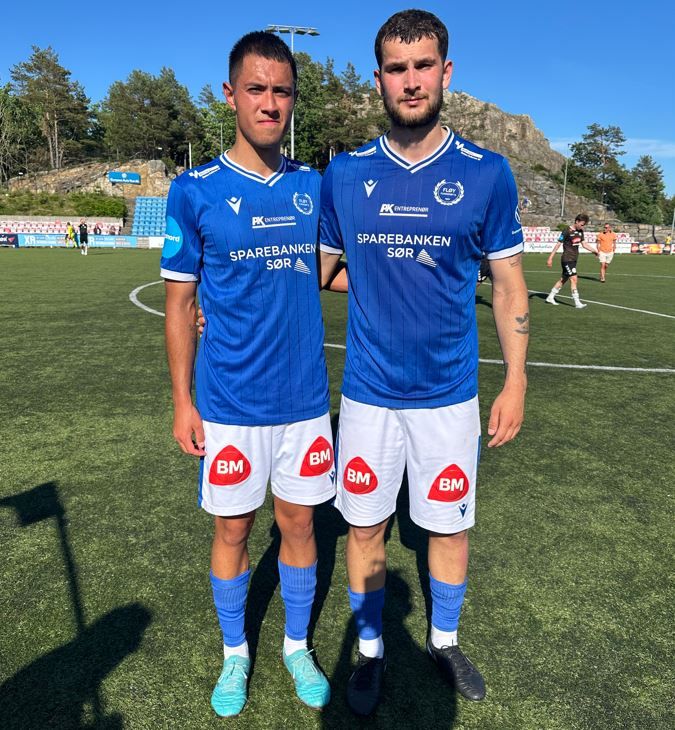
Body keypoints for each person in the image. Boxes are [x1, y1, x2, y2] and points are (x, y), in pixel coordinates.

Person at [318, 9, 529, 715]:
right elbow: (315, 271)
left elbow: (507, 286)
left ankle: (443, 639)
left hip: (449, 394)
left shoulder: (486, 173)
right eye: (396, 68)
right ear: (379, 78)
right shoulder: (346, 173)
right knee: (365, 528)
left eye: (422, 66)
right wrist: (224, 300)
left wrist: (515, 380)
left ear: (445, 72)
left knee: (448, 526)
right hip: (369, 394)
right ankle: (371, 649)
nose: (410, 81)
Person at [161, 31, 333, 718]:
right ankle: (235, 652)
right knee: (233, 531)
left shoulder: (314, 187)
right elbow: (180, 304)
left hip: (304, 401)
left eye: (281, 91)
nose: (269, 103)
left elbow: (332, 271)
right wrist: (182, 401)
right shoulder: (193, 190)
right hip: (229, 401)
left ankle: (295, 645)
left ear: (292, 100)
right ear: (231, 95)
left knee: (299, 526)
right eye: (256, 89)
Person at [545, 213, 597, 307]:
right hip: (567, 259)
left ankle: (550, 297)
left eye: (584, 225)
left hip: (574, 259)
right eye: (582, 224)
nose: (582, 227)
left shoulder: (580, 231)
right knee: (574, 279)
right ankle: (577, 302)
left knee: (563, 279)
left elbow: (584, 244)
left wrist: (594, 251)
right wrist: (550, 258)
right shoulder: (566, 231)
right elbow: (558, 245)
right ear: (577, 221)